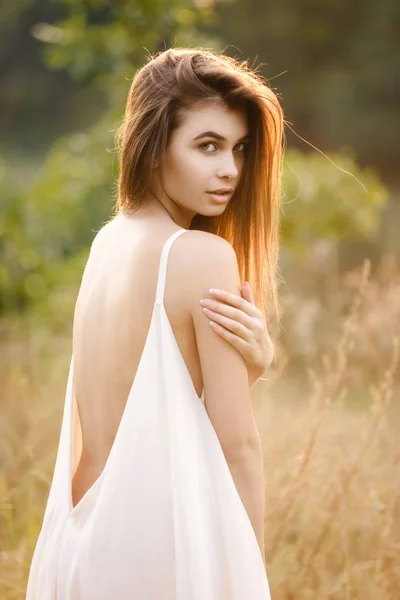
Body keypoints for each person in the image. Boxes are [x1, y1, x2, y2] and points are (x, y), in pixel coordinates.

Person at [26, 46, 284, 599]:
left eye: (238, 149)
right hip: (158, 545)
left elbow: (149, 410)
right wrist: (247, 574)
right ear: (151, 148)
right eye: (206, 146)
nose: (230, 170)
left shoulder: (108, 243)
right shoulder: (196, 255)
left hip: (82, 541)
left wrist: (250, 368)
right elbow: (236, 446)